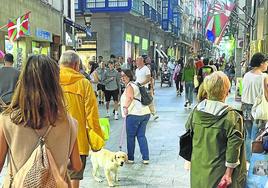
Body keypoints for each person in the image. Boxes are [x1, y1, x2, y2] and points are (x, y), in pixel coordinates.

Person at [0, 55, 82, 187]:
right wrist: (56, 164)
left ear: (23, 81)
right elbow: (77, 166)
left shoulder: (7, 120)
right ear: (55, 84)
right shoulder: (69, 122)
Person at [186, 71, 247, 188]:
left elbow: (188, 133)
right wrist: (228, 174)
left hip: (198, 169)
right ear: (226, 91)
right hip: (220, 174)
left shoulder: (196, 112)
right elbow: (233, 149)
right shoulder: (232, 117)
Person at [59, 50, 104, 188]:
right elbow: (92, 115)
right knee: (74, 176)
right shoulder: (84, 84)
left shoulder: (51, 81)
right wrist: (97, 138)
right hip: (77, 140)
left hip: (54, 140)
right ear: (76, 65)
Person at [241, 52, 268, 162]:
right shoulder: (264, 76)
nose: (267, 65)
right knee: (258, 136)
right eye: (266, 63)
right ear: (261, 63)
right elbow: (266, 95)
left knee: (248, 135)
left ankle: (247, 160)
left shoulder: (247, 75)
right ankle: (256, 160)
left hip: (246, 107)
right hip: (258, 109)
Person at [120, 69, 151, 164]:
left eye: (124, 76)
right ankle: (146, 158)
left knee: (130, 137)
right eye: (121, 76)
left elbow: (129, 97)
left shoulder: (130, 86)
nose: (122, 78)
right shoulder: (136, 84)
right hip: (145, 112)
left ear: (129, 76)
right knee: (141, 136)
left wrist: (125, 107)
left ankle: (130, 158)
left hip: (134, 114)